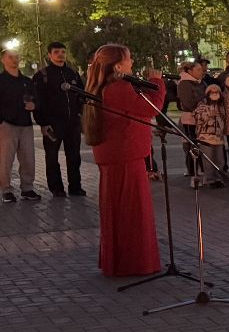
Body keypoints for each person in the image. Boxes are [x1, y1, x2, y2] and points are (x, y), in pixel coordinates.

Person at [82, 45, 161, 277]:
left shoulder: (106, 86)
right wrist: (158, 82)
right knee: (132, 212)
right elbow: (152, 108)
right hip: (125, 156)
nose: (132, 61)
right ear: (117, 66)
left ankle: (120, 261)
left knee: (120, 210)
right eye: (128, 59)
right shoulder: (118, 88)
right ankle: (134, 262)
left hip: (117, 155)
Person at [31, 41, 85, 198]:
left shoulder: (72, 74)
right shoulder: (42, 76)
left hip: (72, 123)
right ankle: (56, 188)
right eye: (56, 52)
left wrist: (79, 114)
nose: (60, 54)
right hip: (53, 124)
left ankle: (75, 187)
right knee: (52, 157)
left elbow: (81, 95)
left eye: (63, 51)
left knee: (74, 156)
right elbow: (37, 101)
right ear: (49, 55)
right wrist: (43, 122)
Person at [0, 49, 41, 203]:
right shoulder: (1, 80)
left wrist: (34, 105)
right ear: (3, 60)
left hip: (25, 124)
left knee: (28, 158)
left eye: (17, 57)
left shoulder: (26, 81)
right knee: (5, 159)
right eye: (10, 57)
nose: (14, 60)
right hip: (7, 125)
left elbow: (37, 99)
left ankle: (27, 188)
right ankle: (6, 189)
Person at [193, 82, 227, 189]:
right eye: (212, 92)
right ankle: (210, 179)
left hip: (219, 137)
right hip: (205, 137)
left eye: (217, 92)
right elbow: (197, 117)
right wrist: (208, 115)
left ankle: (218, 178)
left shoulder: (221, 105)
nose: (214, 94)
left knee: (220, 160)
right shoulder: (202, 104)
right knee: (208, 159)